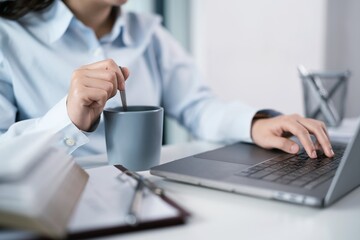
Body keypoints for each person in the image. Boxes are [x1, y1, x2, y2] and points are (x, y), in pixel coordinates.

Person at [0, 0, 334, 160]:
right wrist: (67, 121)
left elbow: (199, 106)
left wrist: (254, 123)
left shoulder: (150, 35)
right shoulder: (7, 38)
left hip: (148, 202)